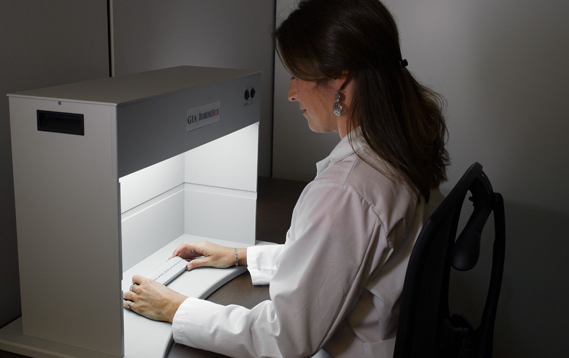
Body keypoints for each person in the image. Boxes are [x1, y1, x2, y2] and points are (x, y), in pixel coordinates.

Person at [122, 0, 449, 356]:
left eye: (297, 75)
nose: (291, 93)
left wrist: (176, 308)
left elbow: (284, 338)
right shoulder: (398, 149)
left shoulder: (347, 191)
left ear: (339, 77)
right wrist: (241, 256)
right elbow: (341, 262)